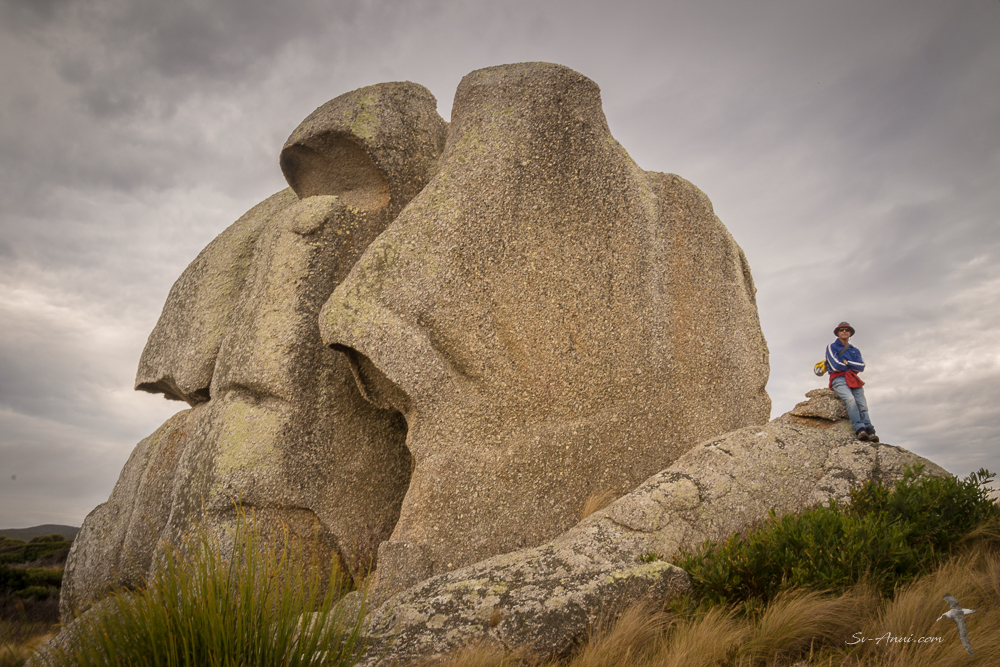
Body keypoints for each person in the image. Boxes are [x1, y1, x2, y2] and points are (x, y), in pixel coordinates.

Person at [826, 321, 878, 442]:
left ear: (850, 333)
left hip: (853, 379)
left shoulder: (855, 350)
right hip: (838, 379)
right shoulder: (831, 347)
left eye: (847, 330)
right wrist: (850, 366)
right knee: (851, 401)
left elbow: (861, 366)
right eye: (842, 330)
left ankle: (870, 430)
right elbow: (835, 366)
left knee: (862, 405)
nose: (844, 331)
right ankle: (860, 429)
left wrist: (847, 362)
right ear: (837, 333)